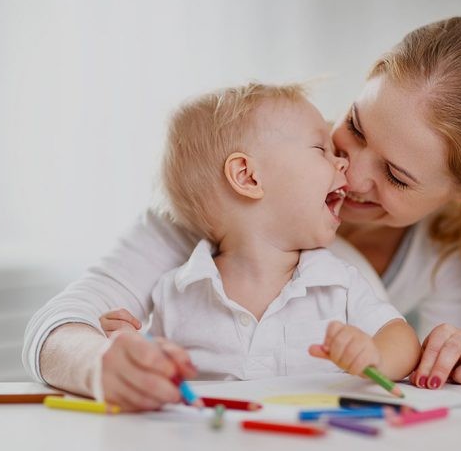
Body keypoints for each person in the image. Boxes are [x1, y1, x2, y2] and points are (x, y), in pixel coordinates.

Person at [23, 17, 461, 409]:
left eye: (397, 176)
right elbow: (54, 329)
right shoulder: (220, 202)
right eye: (355, 127)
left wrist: (456, 367)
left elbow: (446, 403)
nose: (351, 174)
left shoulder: (448, 252)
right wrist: (103, 364)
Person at [98, 83, 419, 389]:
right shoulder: (177, 293)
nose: (343, 164)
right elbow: (161, 374)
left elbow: (402, 339)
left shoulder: (338, 282)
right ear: (248, 177)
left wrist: (375, 356)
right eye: (322, 149)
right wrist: (134, 350)